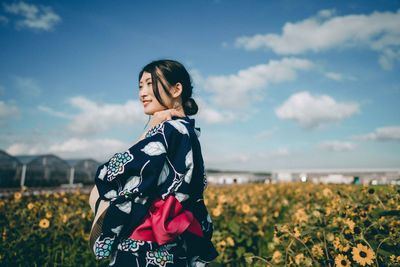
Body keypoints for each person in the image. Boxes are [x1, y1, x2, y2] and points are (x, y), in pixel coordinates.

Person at [89, 59, 219, 266]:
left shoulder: (168, 131)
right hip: (174, 243)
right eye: (140, 86)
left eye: (150, 84)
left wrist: (150, 129)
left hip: (145, 246)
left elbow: (112, 174)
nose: (142, 93)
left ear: (177, 89)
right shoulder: (189, 131)